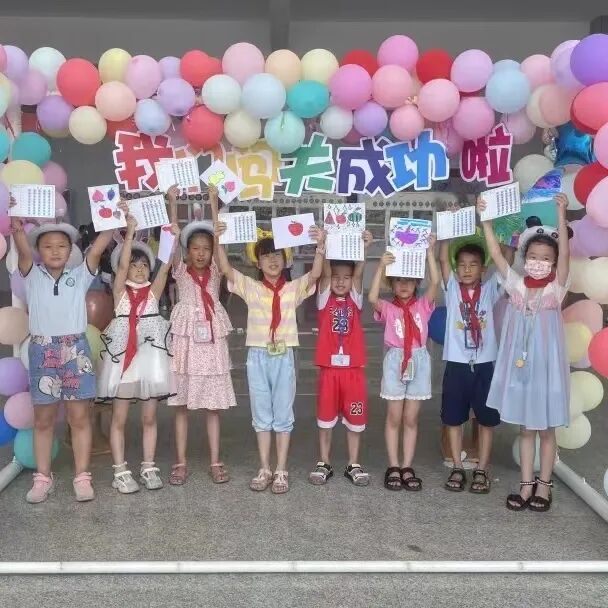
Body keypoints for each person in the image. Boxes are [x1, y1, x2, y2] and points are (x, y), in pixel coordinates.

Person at [212, 200, 326, 495]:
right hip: (258, 355)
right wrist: (219, 239)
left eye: (277, 255)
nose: (272, 260)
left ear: (286, 260)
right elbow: (225, 268)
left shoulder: (293, 288)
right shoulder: (251, 287)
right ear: (257, 262)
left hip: (284, 355)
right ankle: (264, 467)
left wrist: (320, 247)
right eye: (266, 256)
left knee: (283, 413)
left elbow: (315, 275)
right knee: (261, 413)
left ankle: (281, 469)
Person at [10, 205, 114, 504]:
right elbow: (23, 250)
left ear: (70, 251)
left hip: (75, 351)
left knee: (79, 417)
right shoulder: (32, 274)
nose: (55, 251)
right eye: (48, 246)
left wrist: (112, 219)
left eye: (61, 246)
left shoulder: (79, 276)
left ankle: (82, 476)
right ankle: (43, 477)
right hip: (43, 351)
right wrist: (16, 226)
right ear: (39, 250)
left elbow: (98, 248)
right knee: (43, 419)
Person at [479, 194, 570, 512]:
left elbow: (566, 253)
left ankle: (545, 485)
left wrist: (561, 213)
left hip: (547, 372)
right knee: (526, 429)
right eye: (533, 256)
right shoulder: (517, 286)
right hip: (522, 371)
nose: (538, 261)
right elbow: (495, 253)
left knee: (546, 429)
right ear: (524, 256)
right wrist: (486, 221)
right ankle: (526, 483)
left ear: (554, 263)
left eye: (546, 258)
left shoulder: (555, 290)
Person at [97, 202, 177, 494]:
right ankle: (120, 470)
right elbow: (120, 266)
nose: (140, 268)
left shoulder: (154, 293)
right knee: (119, 417)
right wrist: (130, 232)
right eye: (134, 264)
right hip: (123, 362)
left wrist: (173, 228)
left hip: (150, 361)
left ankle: (148, 466)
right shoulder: (120, 292)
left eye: (144, 265)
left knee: (149, 416)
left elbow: (166, 265)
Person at [166, 185, 236, 486]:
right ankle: (180, 462)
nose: (201, 253)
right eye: (195, 248)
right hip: (186, 339)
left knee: (213, 406)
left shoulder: (217, 271)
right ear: (187, 250)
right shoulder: (180, 271)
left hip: (211, 338)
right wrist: (172, 203)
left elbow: (219, 240)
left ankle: (215, 461)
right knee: (180, 405)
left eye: (206, 248)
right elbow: (172, 237)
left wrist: (213, 202)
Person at [369, 237, 440, 491]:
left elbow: (436, 282)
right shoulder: (388, 308)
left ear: (416, 282)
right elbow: (372, 297)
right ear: (392, 283)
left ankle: (407, 466)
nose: (404, 285)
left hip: (419, 360)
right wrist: (380, 266)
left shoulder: (423, 306)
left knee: (411, 418)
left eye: (409, 280)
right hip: (395, 360)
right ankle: (394, 465)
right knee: (394, 416)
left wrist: (430, 252)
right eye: (398, 280)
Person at [439, 227, 502, 494]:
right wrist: (446, 232)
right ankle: (457, 466)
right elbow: (443, 260)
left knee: (486, 419)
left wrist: (501, 235)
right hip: (457, 364)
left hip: (485, 364)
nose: (466, 269)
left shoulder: (490, 290)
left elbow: (504, 260)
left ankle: (482, 468)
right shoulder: (452, 290)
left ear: (483, 269)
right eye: (462, 265)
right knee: (454, 418)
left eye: (473, 264)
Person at [308, 231, 373, 487]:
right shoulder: (324, 299)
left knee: (355, 419)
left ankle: (353, 463)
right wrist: (322, 245)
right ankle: (324, 462)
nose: (341, 281)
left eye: (346, 277)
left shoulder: (355, 300)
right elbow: (324, 274)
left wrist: (364, 249)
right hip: (329, 370)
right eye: (336, 277)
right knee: (325, 419)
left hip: (353, 371)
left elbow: (359, 274)